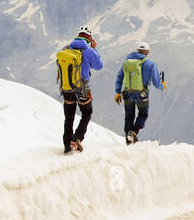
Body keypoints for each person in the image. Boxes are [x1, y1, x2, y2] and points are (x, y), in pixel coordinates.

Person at [55, 25, 103, 154]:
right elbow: (99, 66)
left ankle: (67, 145)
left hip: (66, 88)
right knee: (87, 112)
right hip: (81, 88)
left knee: (69, 117)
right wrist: (94, 49)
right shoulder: (88, 50)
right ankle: (76, 139)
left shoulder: (67, 48)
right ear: (89, 38)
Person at [114, 41, 166, 143]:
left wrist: (117, 92)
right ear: (147, 52)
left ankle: (128, 137)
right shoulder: (150, 64)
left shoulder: (126, 63)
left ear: (137, 51)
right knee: (143, 114)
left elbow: (119, 78)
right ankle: (134, 132)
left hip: (127, 93)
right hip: (142, 94)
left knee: (129, 115)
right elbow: (156, 82)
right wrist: (162, 85)